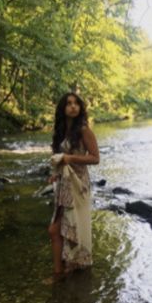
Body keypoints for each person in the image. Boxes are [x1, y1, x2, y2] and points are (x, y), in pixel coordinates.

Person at [48, 92, 99, 276]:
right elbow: (58, 158)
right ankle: (63, 270)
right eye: (69, 103)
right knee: (58, 230)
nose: (73, 106)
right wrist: (54, 173)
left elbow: (95, 158)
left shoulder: (84, 130)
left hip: (78, 185)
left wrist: (70, 158)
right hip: (63, 184)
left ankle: (61, 273)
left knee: (59, 229)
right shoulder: (61, 131)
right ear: (63, 108)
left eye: (76, 103)